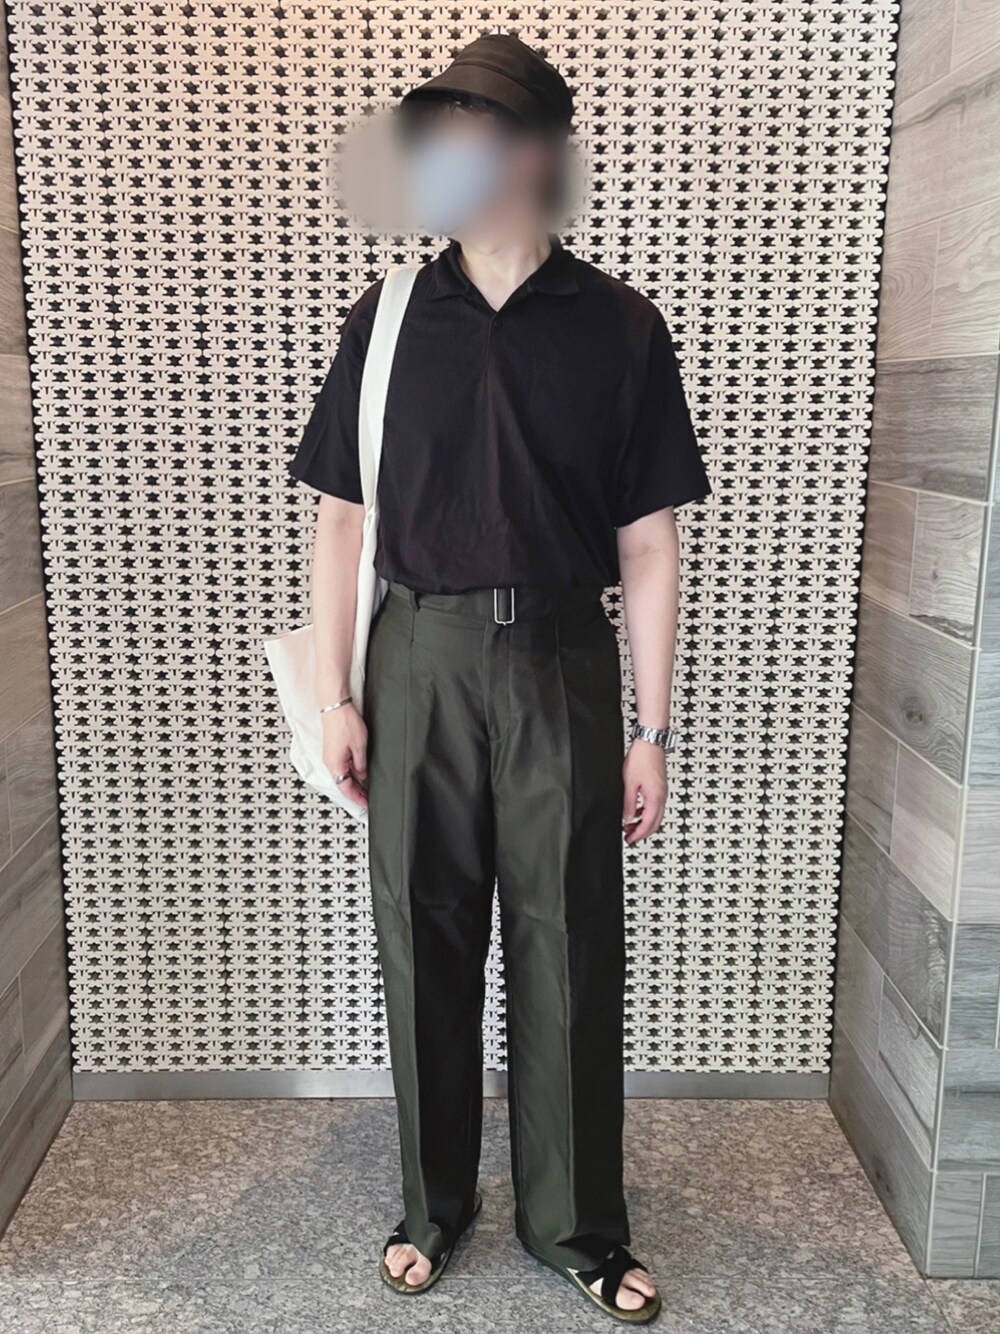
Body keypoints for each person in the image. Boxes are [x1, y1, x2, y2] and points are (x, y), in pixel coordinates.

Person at [287, 32, 711, 1325]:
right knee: (421, 931)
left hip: (561, 665)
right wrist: (337, 695)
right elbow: (341, 522)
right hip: (415, 661)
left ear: (538, 153)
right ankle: (432, 1204)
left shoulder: (621, 329)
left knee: (567, 937)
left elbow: (649, 544)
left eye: (479, 135)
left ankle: (574, 1222)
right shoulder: (387, 320)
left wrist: (652, 727)